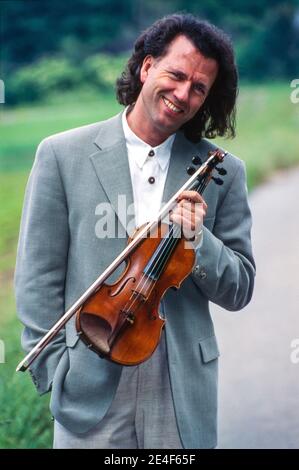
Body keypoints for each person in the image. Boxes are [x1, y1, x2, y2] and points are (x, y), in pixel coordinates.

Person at [14, 13, 255, 449]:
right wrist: (57, 371)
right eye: (176, 75)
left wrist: (201, 239)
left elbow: (239, 289)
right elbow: (37, 278)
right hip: (91, 372)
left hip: (177, 381)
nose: (183, 94)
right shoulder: (61, 155)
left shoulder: (222, 171)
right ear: (147, 68)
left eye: (199, 88)